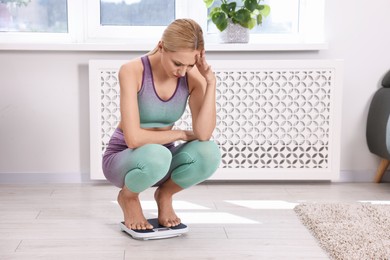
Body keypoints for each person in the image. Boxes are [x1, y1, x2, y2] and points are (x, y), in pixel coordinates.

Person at [102, 18, 221, 230]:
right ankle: (129, 197)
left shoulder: (192, 77)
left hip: (162, 161)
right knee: (159, 154)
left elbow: (203, 135)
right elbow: (134, 138)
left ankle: (165, 195)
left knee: (209, 152)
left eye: (190, 65)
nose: (183, 72)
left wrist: (209, 82)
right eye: (178, 63)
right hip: (125, 158)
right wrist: (181, 134)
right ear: (161, 46)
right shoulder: (132, 70)